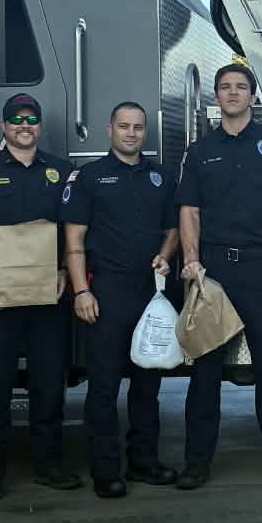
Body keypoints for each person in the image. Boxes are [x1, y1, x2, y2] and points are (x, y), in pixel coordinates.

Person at [176, 62, 262, 490]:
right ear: (215, 97)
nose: (232, 93)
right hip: (213, 272)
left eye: (240, 87)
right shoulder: (199, 152)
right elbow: (189, 211)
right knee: (205, 373)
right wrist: (192, 262)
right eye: (225, 87)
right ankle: (196, 464)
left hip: (261, 269)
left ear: (253, 96)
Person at [0, 93, 79, 499]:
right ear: (3, 127)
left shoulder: (63, 172)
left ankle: (48, 466)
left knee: (48, 385)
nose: (25, 126)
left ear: (39, 126)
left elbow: (74, 231)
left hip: (48, 299)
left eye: (31, 120)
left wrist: (65, 271)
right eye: (17, 120)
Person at [62, 101, 180, 499]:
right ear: (109, 130)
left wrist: (165, 254)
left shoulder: (161, 177)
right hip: (106, 293)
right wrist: (81, 290)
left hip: (151, 293)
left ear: (145, 131)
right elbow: (74, 241)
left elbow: (173, 229)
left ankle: (144, 463)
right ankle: (106, 471)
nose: (131, 133)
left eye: (138, 127)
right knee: (104, 387)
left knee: (148, 385)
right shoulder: (90, 177)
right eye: (124, 126)